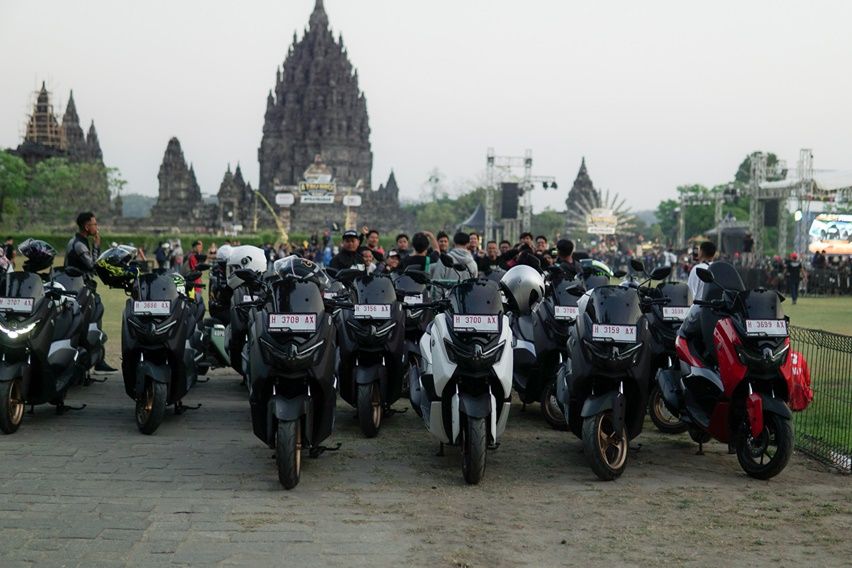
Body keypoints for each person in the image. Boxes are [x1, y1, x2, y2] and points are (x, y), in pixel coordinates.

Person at [66, 212, 116, 373]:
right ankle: (96, 358)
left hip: (74, 286)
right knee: (96, 309)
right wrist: (96, 246)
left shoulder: (76, 241)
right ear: (87, 227)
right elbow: (92, 266)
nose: (97, 227)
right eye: (94, 224)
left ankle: (97, 356)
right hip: (80, 288)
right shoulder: (80, 245)